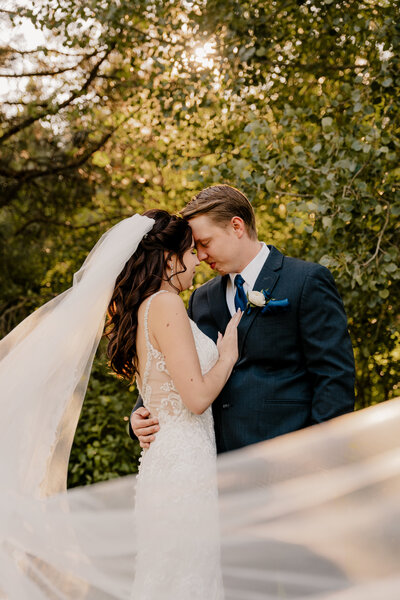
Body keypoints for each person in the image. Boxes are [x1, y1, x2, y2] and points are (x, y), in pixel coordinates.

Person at [130, 185, 355, 453]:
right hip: (216, 463)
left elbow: (334, 377)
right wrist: (140, 412)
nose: (200, 256)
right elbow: (175, 361)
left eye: (205, 243)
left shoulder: (306, 281)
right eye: (195, 248)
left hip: (287, 456)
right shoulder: (201, 298)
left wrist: (315, 453)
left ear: (237, 227)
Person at [105, 209, 241, 599]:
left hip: (175, 460)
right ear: (169, 258)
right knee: (185, 578)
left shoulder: (147, 307)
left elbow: (159, 390)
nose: (198, 260)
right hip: (183, 467)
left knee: (174, 575)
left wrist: (139, 415)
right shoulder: (165, 305)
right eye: (190, 252)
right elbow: (196, 398)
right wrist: (227, 356)